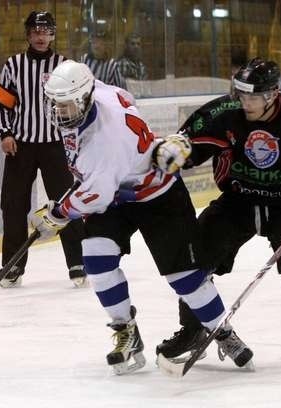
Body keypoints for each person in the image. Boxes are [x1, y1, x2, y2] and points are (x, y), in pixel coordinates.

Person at [33, 60, 253, 375]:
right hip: (117, 192)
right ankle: (126, 332)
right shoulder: (101, 93)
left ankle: (222, 331)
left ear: (83, 98)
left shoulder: (104, 143)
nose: (58, 111)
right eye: (56, 104)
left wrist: (57, 214)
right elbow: (125, 98)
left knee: (187, 279)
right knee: (97, 258)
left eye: (65, 105)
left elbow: (95, 196)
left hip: (157, 194)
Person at [153, 58, 281, 370]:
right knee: (192, 263)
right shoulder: (224, 111)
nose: (244, 102)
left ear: (273, 94)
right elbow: (187, 144)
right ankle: (195, 330)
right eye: (241, 94)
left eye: (252, 97)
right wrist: (176, 149)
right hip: (236, 202)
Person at [0, 11, 86, 288]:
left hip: (56, 146)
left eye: (46, 31)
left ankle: (78, 263)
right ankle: (12, 266)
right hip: (20, 146)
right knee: (13, 205)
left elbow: (78, 104)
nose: (41, 36)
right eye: (36, 31)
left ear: (53, 34)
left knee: (67, 203)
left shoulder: (64, 66)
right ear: (28, 34)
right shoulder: (14, 65)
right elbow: (1, 104)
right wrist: (5, 133)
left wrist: (74, 137)